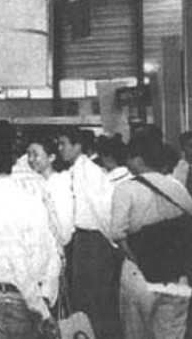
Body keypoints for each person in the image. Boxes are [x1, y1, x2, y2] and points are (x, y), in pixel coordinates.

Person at [0, 121, 60, 339]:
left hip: (4, 305)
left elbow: (17, 262)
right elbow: (52, 251)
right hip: (32, 298)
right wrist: (44, 298)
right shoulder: (30, 197)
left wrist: (41, 311)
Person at [110, 133, 192, 339]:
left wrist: (140, 261)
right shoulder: (176, 186)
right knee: (172, 333)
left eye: (129, 157)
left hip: (140, 274)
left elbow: (117, 233)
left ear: (138, 159)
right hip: (177, 275)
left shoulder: (126, 188)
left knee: (137, 333)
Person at [58, 127, 122, 339]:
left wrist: (111, 241)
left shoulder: (90, 171)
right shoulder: (75, 170)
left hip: (93, 241)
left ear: (77, 146)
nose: (60, 149)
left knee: (95, 299)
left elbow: (101, 208)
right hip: (82, 241)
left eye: (64, 144)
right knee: (84, 298)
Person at [25, 134, 75, 251]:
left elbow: (65, 224)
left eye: (36, 155)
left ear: (51, 157)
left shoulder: (59, 183)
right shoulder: (34, 183)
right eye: (29, 155)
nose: (31, 159)